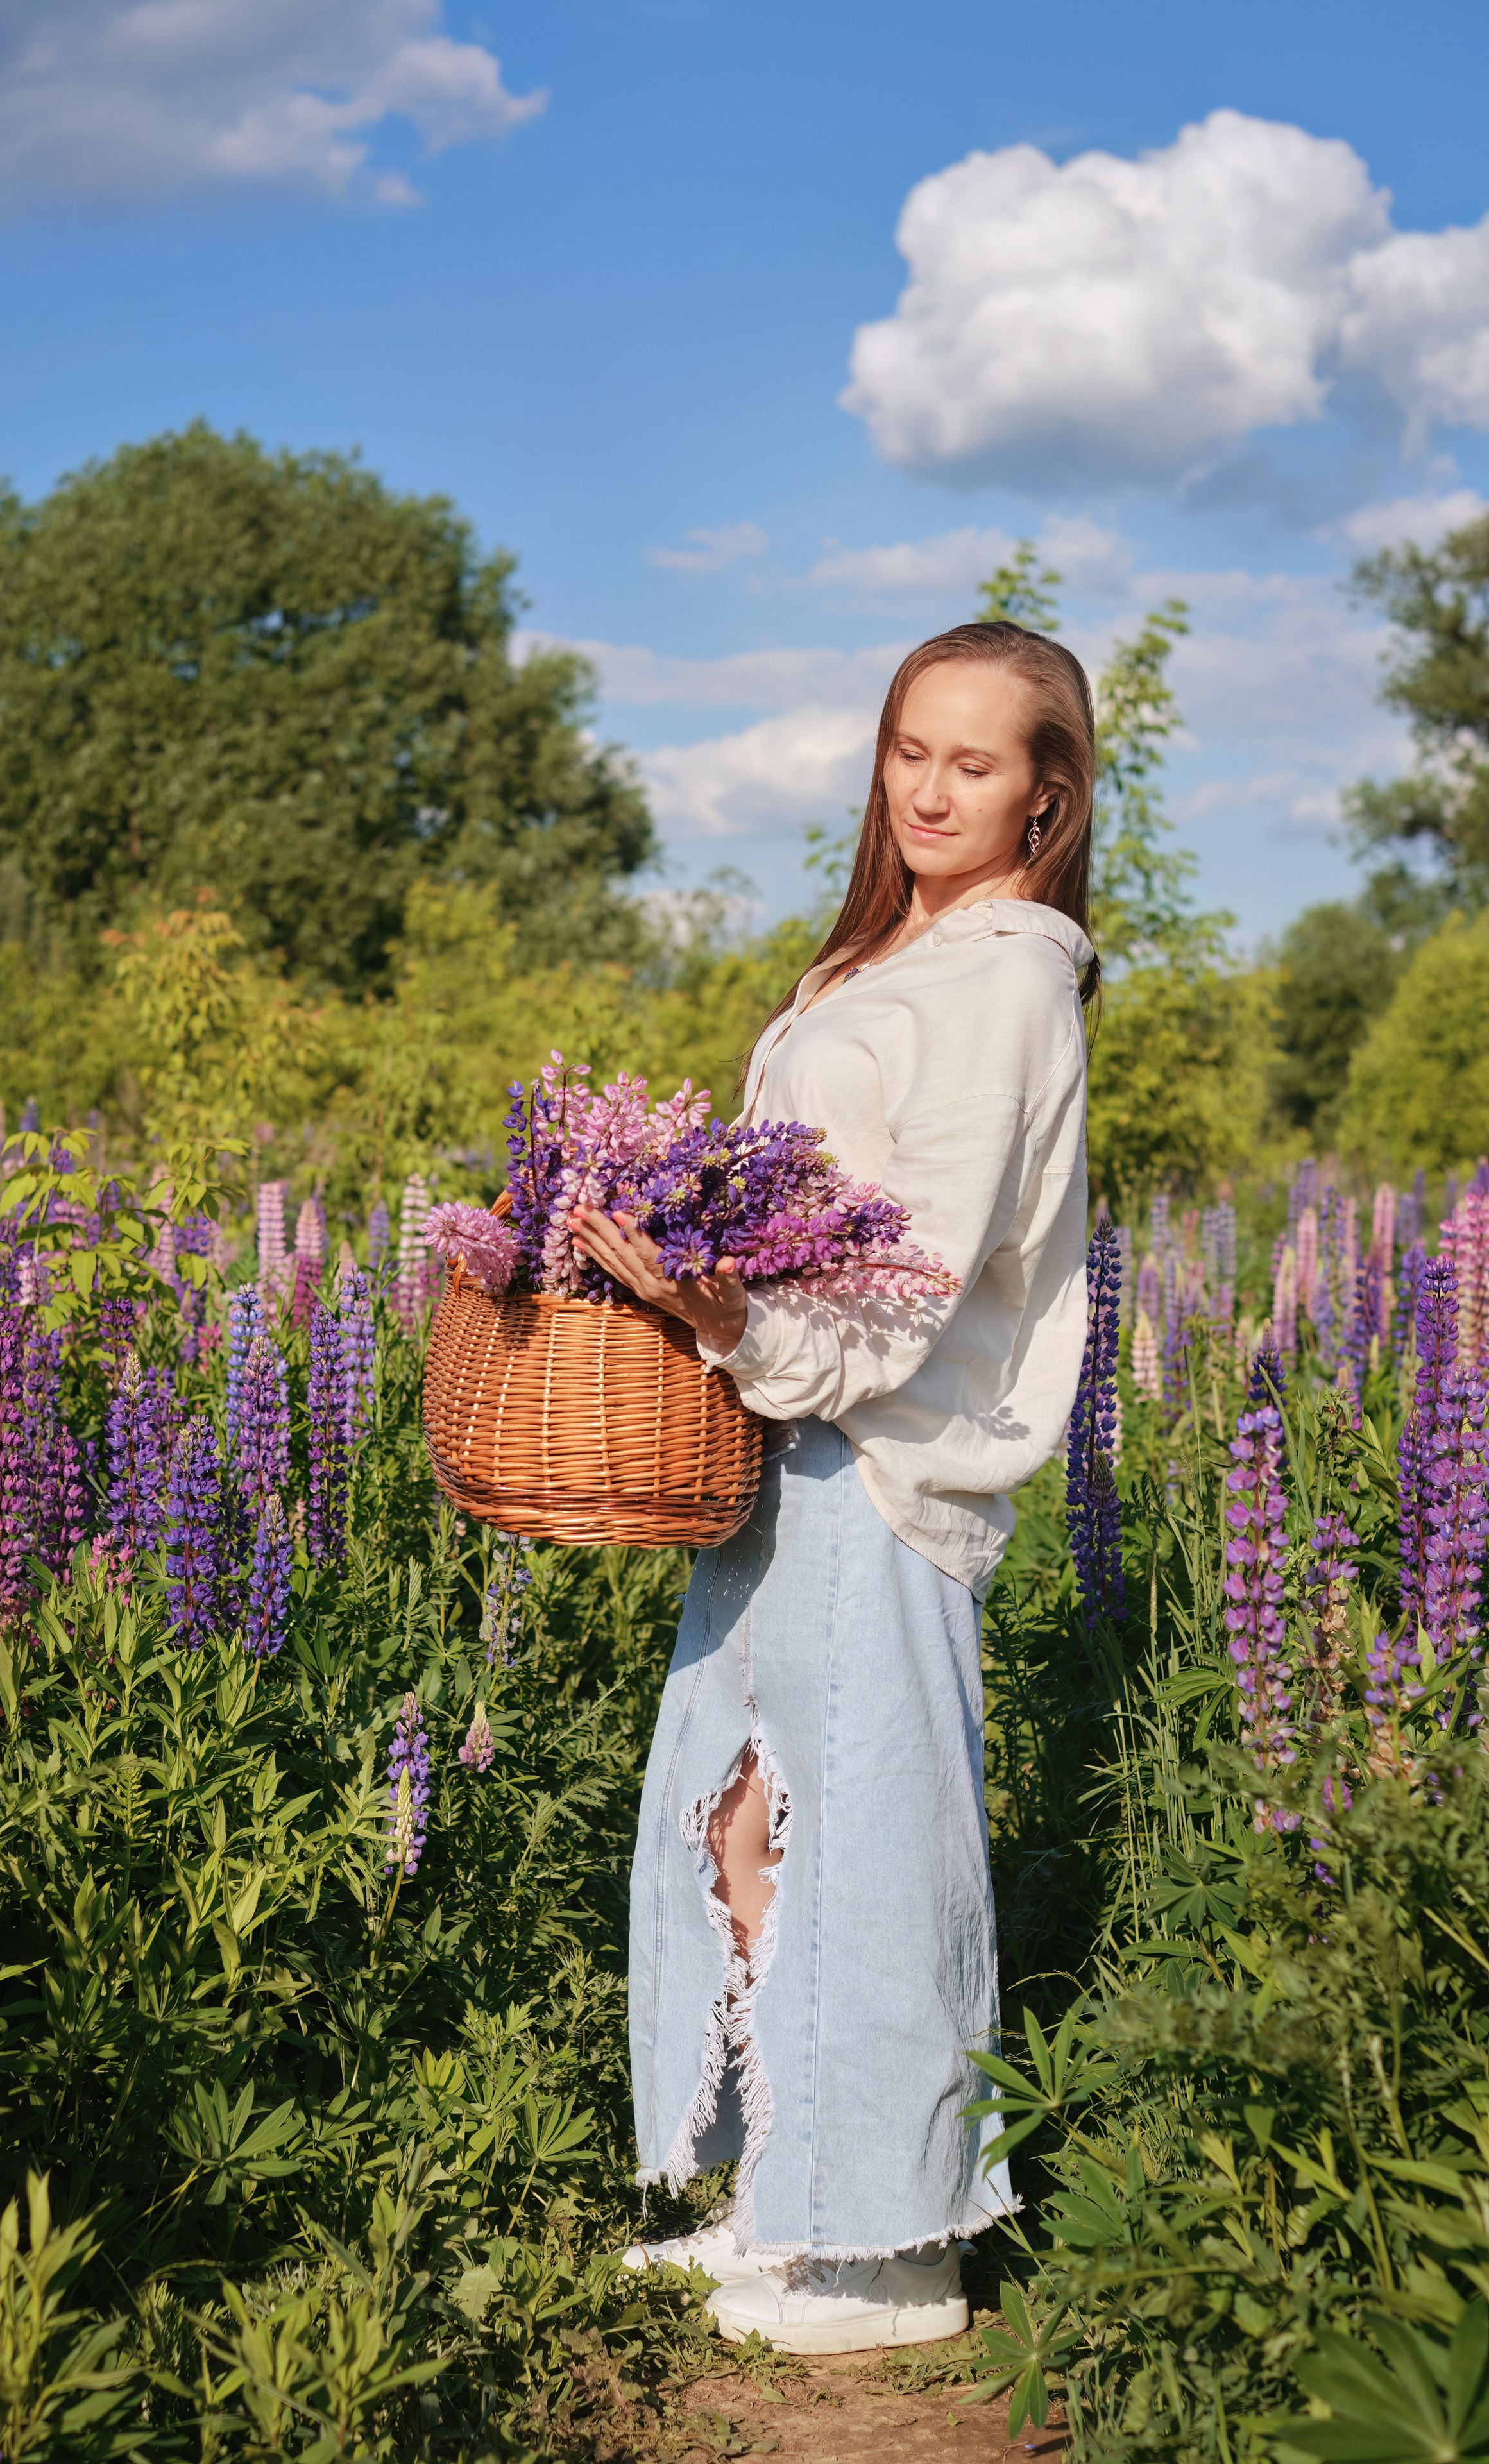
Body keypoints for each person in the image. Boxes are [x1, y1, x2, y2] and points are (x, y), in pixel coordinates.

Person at [571, 620, 1096, 2356]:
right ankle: (790, 2203)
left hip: (879, 1457)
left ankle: (895, 2255)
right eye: (909, 749)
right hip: (770, 1438)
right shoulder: (879, 955)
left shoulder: (1010, 979)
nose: (930, 789)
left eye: (976, 762)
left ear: (1044, 796)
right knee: (740, 1815)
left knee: (866, 1840)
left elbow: (925, 1267)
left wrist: (740, 1323)